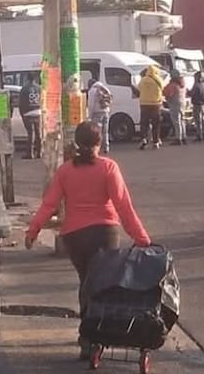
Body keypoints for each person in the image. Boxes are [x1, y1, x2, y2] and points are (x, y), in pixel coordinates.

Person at [24, 121, 152, 357]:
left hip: (74, 236)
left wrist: (33, 231)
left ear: (76, 144)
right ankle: (101, 333)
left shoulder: (65, 171)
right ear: (99, 143)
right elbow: (123, 206)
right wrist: (142, 239)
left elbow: (49, 204)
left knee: (86, 281)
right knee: (103, 284)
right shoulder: (108, 168)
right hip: (105, 232)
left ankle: (87, 336)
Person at [138, 65, 165, 150]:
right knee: (156, 124)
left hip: (144, 104)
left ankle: (144, 139)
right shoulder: (158, 80)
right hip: (155, 104)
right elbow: (162, 88)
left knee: (144, 124)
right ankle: (156, 141)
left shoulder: (142, 80)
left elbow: (139, 89)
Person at [87, 77, 113, 153]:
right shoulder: (104, 88)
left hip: (97, 113)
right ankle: (106, 147)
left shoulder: (92, 90)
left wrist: (90, 116)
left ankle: (97, 147)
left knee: (96, 132)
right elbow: (110, 99)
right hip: (106, 112)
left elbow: (91, 104)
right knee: (105, 131)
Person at [18, 76, 42, 159]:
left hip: (28, 113)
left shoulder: (24, 89)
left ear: (27, 78)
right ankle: (39, 152)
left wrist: (22, 114)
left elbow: (21, 103)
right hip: (38, 112)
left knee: (30, 133)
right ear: (35, 79)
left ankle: (30, 153)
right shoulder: (39, 88)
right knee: (38, 133)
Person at [163, 69, 188, 145]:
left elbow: (167, 93)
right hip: (182, 103)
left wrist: (166, 97)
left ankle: (178, 138)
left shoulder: (173, 85)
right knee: (182, 120)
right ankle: (184, 137)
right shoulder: (182, 84)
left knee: (176, 121)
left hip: (174, 103)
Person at [190, 71, 204, 142]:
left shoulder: (196, 85)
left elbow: (192, 93)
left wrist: (187, 92)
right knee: (203, 120)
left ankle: (199, 135)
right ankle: (203, 135)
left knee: (198, 121)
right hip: (203, 104)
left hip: (197, 104)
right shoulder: (203, 85)